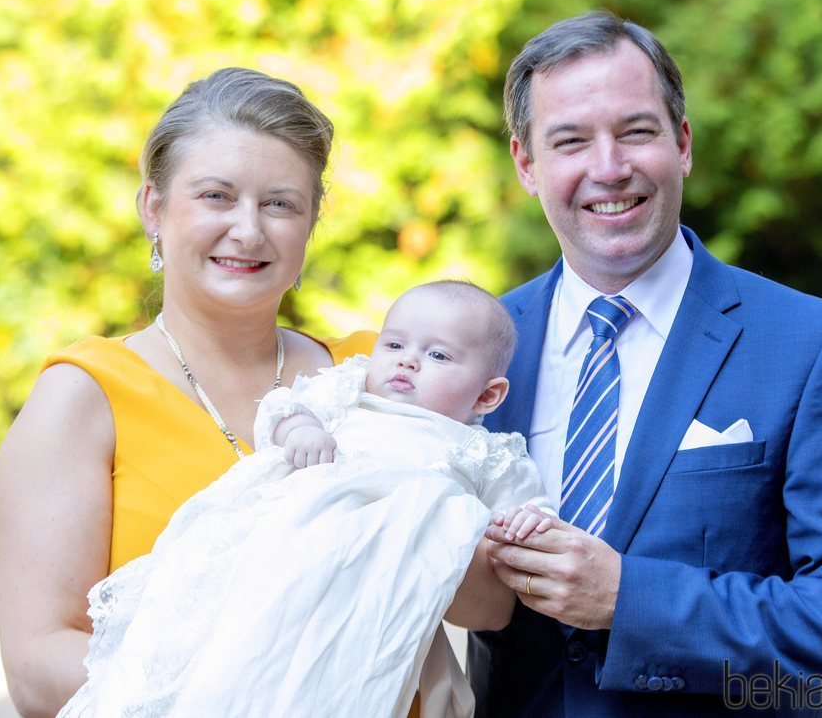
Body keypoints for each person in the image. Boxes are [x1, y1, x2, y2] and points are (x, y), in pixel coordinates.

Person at [0, 69, 505, 718]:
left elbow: (486, 603)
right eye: (216, 196)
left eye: (280, 203)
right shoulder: (85, 396)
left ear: (313, 218)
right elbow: (36, 666)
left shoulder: (377, 373)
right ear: (154, 205)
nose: (248, 229)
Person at [467, 11, 822, 717]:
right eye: (570, 141)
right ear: (525, 164)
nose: (609, 168)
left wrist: (630, 600)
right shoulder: (476, 350)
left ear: (683, 142)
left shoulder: (818, 346)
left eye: (636, 131)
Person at [56, 280, 549, 718]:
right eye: (395, 343)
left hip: (371, 584)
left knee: (338, 673)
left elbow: (529, 510)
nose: (408, 360)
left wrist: (525, 524)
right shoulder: (349, 391)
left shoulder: (486, 452)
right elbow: (281, 408)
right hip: (287, 548)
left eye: (438, 355)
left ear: (488, 396)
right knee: (229, 635)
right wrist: (301, 426)